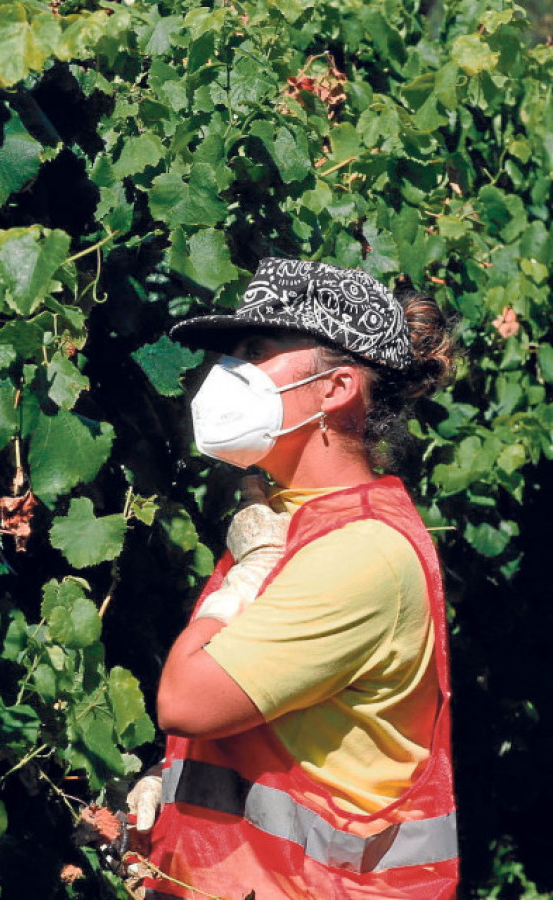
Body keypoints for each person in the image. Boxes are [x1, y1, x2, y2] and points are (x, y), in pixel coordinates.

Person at [128, 258, 459, 899]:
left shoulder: (360, 553)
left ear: (335, 389)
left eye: (257, 350)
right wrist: (166, 787)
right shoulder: (296, 518)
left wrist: (249, 571)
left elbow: (187, 699)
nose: (227, 372)